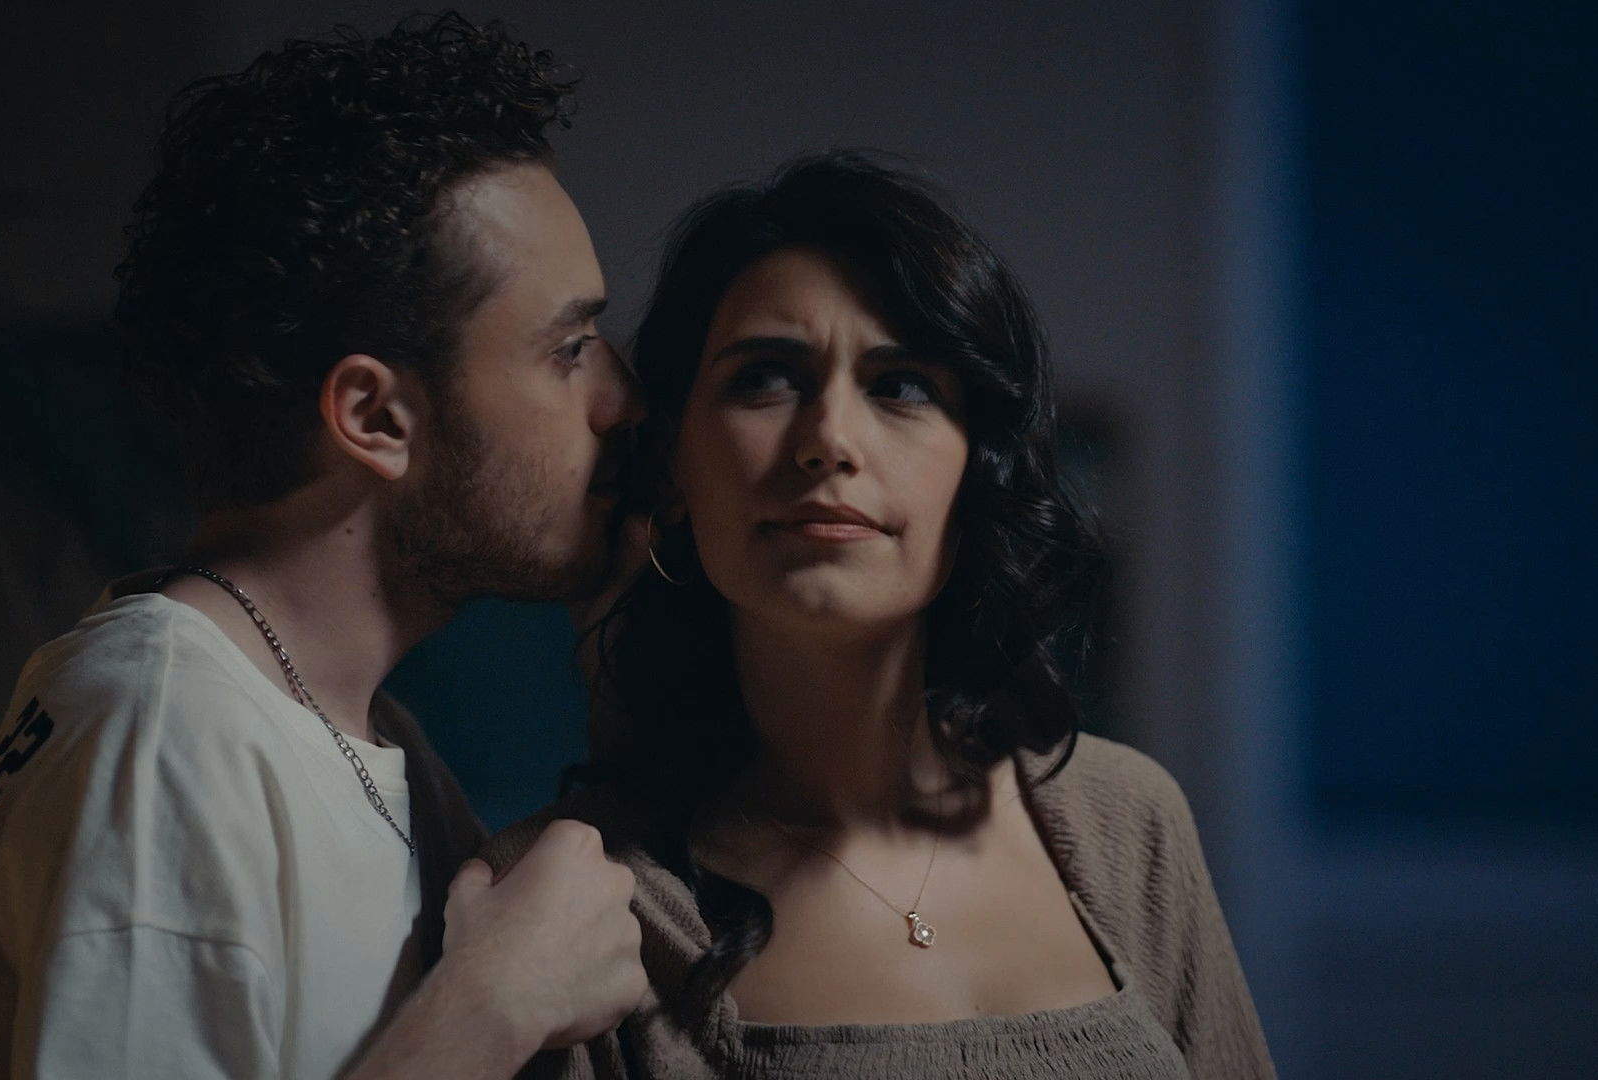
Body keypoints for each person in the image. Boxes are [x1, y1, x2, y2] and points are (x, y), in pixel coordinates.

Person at [0, 15, 648, 1080]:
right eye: (569, 348)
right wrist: (490, 1005)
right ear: (374, 418)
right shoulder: (168, 734)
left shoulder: (355, 738)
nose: (622, 399)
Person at [481, 152, 1276, 1078]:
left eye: (900, 386)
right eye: (765, 378)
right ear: (671, 465)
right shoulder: (569, 904)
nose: (829, 441)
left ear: (974, 471)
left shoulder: (1126, 823)